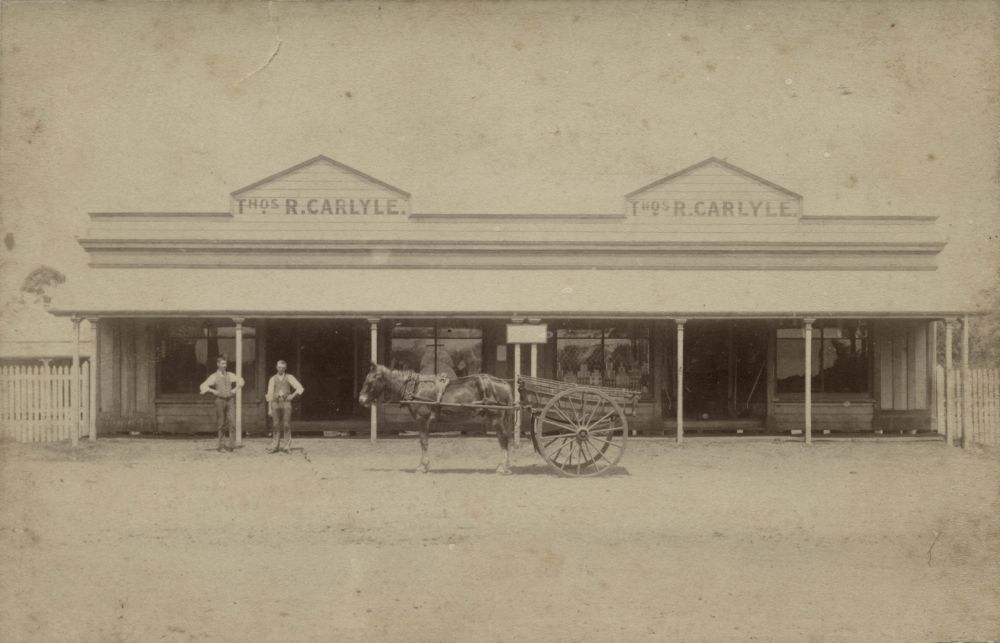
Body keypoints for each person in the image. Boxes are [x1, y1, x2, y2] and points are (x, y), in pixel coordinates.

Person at [199, 356, 245, 452]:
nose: (225, 366)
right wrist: (212, 391)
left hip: (230, 400)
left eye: (226, 364)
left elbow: (241, 381)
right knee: (221, 423)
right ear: (218, 364)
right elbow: (203, 386)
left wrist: (234, 390)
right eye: (223, 364)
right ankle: (221, 445)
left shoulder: (230, 375)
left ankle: (231, 445)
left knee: (232, 422)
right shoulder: (214, 376)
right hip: (220, 400)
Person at [265, 359, 304, 453]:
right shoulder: (272, 379)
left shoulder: (289, 377)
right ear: (276, 367)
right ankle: (275, 446)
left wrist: (292, 396)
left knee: (286, 425)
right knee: (275, 425)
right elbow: (269, 394)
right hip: (275, 403)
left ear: (285, 368)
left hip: (286, 403)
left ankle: (287, 446)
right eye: (279, 367)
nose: (280, 369)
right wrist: (269, 408)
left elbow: (300, 388)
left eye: (282, 367)